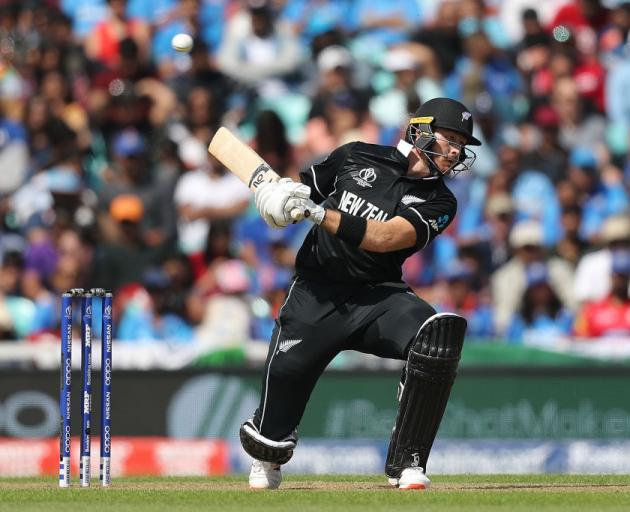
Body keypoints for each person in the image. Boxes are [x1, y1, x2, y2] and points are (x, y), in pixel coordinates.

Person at [243, 97, 481, 490]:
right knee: (269, 437)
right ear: (419, 130)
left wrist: (318, 214)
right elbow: (300, 193)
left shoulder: (441, 201)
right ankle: (268, 457)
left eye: (462, 144)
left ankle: (408, 461)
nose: (456, 151)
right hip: (315, 295)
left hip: (377, 299)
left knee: (437, 333)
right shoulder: (355, 156)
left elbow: (386, 238)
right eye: (450, 138)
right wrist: (278, 200)